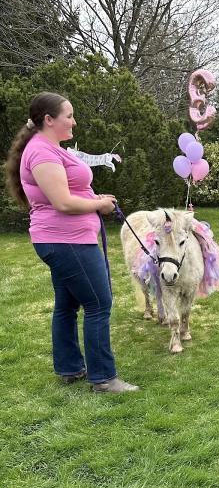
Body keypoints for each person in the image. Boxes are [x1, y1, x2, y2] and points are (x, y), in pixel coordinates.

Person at [5, 92, 139, 393]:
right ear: (49, 120)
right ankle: (103, 378)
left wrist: (95, 198)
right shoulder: (41, 152)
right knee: (98, 303)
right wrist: (99, 206)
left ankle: (69, 368)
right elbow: (63, 203)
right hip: (66, 241)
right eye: (69, 115)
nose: (74, 121)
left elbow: (70, 192)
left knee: (67, 304)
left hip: (65, 239)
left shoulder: (51, 148)